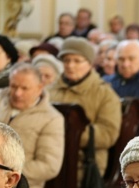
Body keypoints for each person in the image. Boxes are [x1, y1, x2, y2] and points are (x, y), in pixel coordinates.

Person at [50, 36, 122, 180]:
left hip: (85, 164)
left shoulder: (104, 94)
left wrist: (71, 134)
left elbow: (108, 134)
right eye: (66, 60)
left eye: (77, 61)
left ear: (90, 64)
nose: (70, 65)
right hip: (51, 156)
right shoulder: (50, 90)